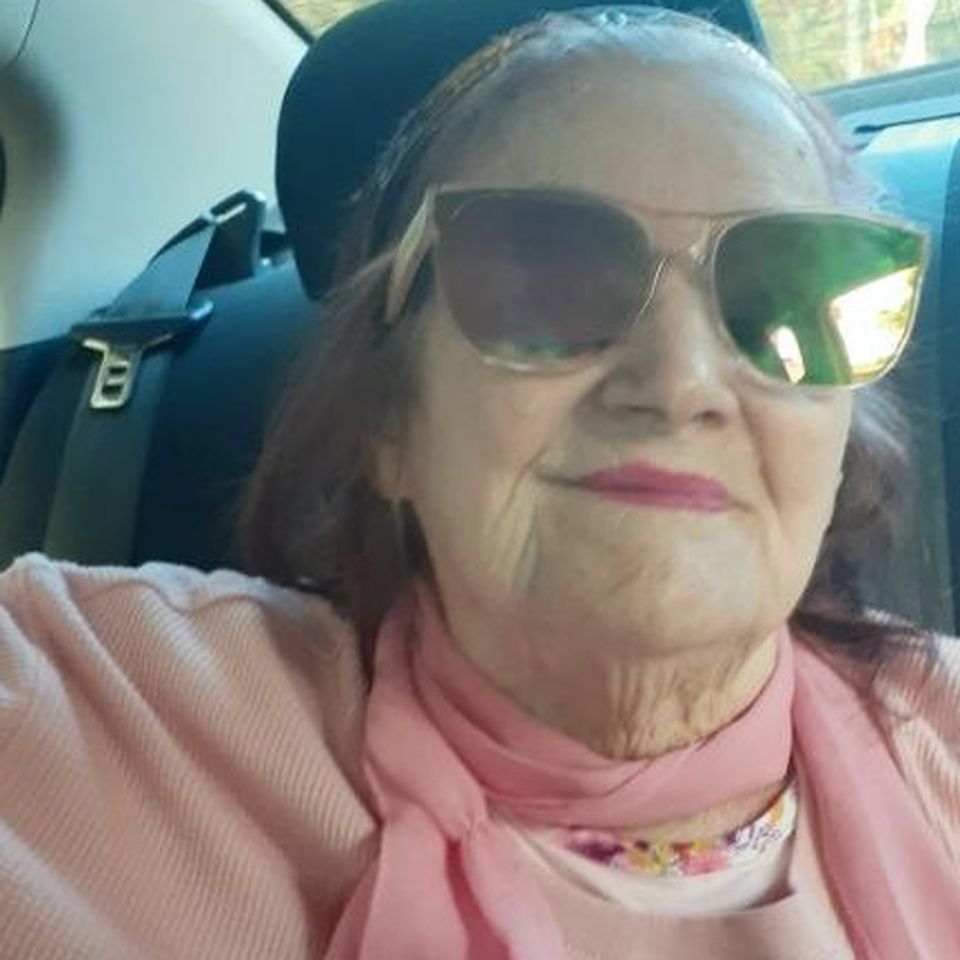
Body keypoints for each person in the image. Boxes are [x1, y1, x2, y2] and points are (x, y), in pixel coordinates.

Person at [1, 6, 958, 959]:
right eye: (544, 281)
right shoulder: (89, 711)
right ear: (389, 418)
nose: (679, 382)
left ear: (839, 434)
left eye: (784, 299)